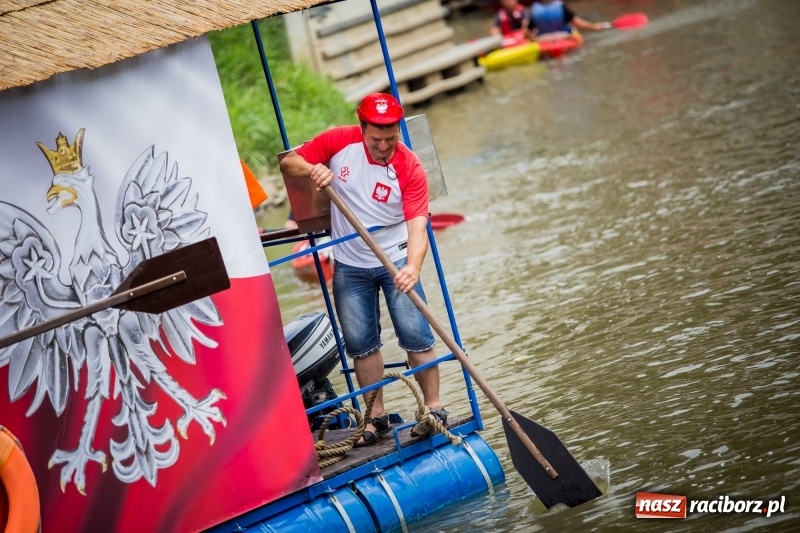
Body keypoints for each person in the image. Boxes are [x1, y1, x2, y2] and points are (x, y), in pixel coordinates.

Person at [279, 93, 446, 446]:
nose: (384, 147)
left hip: (396, 258)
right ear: (362, 128)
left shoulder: (410, 165)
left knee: (415, 334)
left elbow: (418, 223)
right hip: (350, 264)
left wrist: (413, 267)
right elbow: (289, 164)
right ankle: (376, 416)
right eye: (376, 140)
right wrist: (314, 169)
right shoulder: (338, 141)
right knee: (360, 344)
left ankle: (433, 408)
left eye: (391, 139)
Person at [526, 0, 612, 40]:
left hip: (543, 40)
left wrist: (532, 38)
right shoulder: (560, 6)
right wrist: (594, 27)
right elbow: (577, 23)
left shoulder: (534, 9)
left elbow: (528, 32)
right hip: (564, 37)